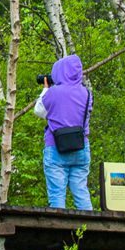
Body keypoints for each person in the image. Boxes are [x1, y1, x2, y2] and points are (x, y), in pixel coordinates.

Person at [34, 54, 94, 209]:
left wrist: (45, 90)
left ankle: (58, 230)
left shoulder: (53, 92)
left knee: (57, 194)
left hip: (56, 147)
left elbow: (39, 111)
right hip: (81, 147)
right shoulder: (86, 93)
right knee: (81, 192)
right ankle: (89, 228)